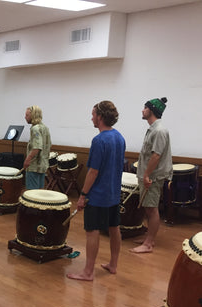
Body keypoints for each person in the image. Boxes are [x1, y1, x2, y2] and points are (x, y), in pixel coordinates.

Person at [67, 101, 125, 281]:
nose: (91, 117)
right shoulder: (119, 137)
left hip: (98, 196)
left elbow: (93, 171)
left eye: (93, 114)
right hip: (114, 194)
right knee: (114, 228)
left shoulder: (99, 140)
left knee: (92, 231)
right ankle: (113, 264)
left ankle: (88, 272)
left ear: (100, 117)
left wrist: (83, 195)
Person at [130, 97, 172, 254]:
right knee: (148, 208)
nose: (142, 110)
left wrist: (147, 175)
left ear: (152, 111)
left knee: (152, 208)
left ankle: (148, 244)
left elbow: (156, 156)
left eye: (145, 108)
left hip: (153, 176)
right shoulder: (154, 129)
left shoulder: (159, 131)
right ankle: (149, 238)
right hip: (148, 175)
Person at [22, 105, 51, 189]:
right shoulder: (45, 128)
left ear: (33, 115)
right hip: (42, 166)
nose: (25, 117)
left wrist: (27, 160)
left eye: (27, 115)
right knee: (39, 194)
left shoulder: (35, 129)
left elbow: (37, 147)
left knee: (32, 194)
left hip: (33, 167)